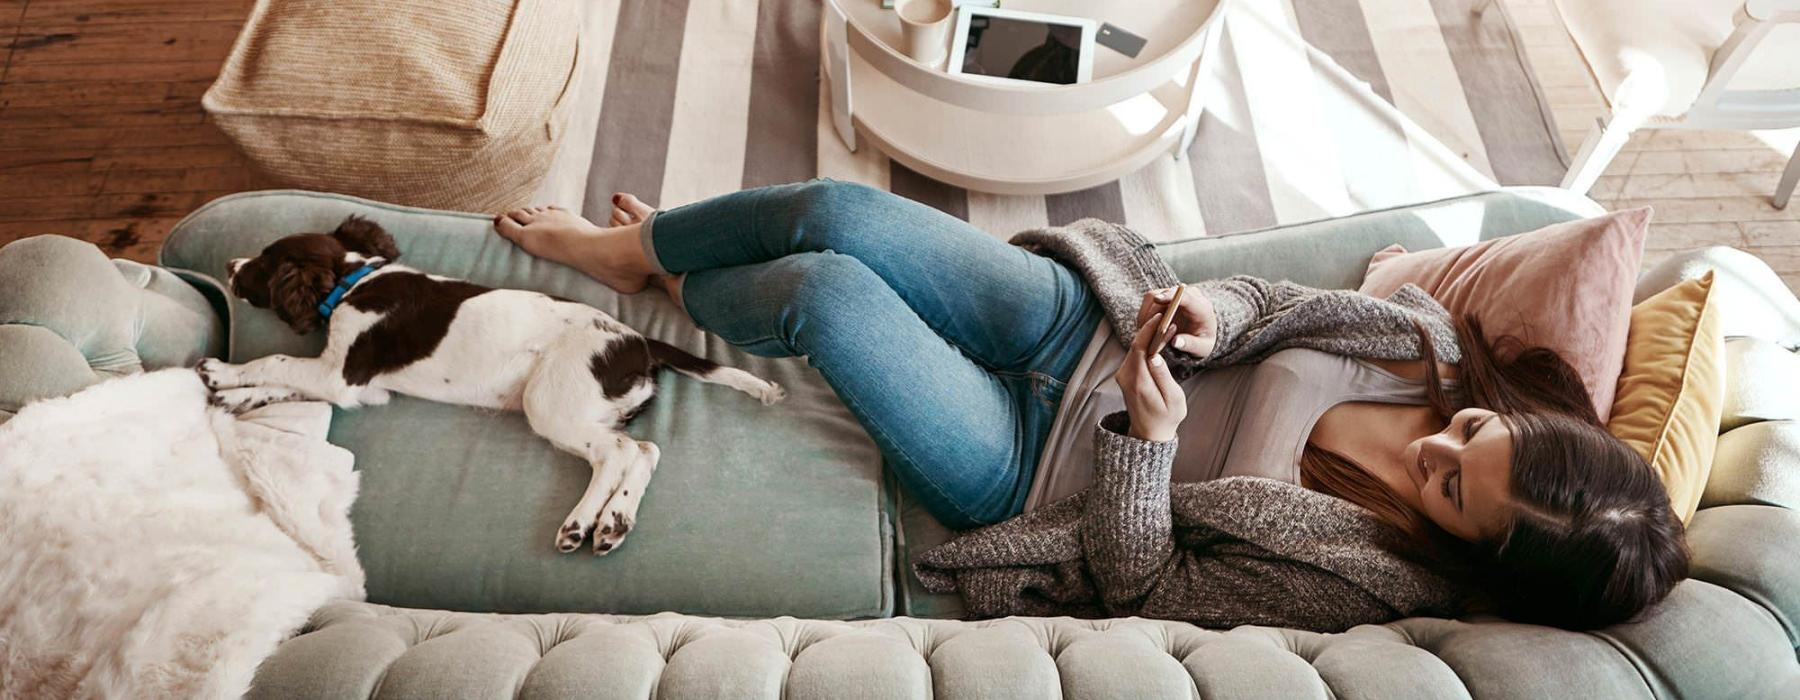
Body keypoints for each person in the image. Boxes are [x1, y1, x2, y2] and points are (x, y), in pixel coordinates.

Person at [491, 180, 1687, 632]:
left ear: (1467, 552)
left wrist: (1150, 445)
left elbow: (1149, 585)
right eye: (1476, 435)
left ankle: (686, 280)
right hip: (1080, 326)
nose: (1439, 444)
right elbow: (1274, 303)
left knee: (824, 292)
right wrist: (1216, 310)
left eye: (1447, 487)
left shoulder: (1367, 578)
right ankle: (634, 250)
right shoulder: (1429, 344)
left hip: (1031, 467)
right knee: (838, 213)